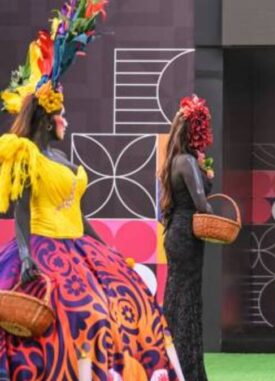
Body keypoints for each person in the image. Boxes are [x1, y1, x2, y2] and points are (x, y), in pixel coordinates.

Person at [0, 4, 185, 378]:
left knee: (126, 297)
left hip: (77, 248)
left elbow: (80, 217)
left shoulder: (63, 160)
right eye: (62, 114)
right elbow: (19, 210)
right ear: (48, 119)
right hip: (42, 247)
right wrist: (25, 255)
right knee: (75, 312)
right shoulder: (26, 154)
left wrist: (107, 248)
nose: (66, 119)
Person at [159, 95, 214, 381]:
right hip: (187, 238)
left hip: (174, 236)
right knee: (187, 303)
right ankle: (188, 372)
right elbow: (202, 205)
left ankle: (169, 367)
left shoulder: (170, 161)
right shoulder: (187, 161)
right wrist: (208, 178)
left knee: (175, 300)